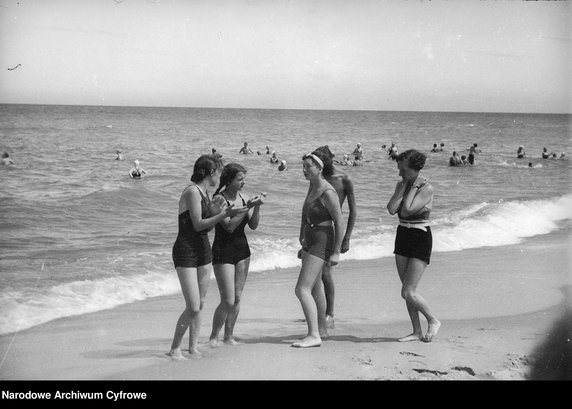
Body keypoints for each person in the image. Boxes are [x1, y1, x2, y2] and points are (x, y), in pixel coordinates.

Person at [168, 155, 247, 360]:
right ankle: (175, 348)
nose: (219, 176)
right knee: (193, 305)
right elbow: (197, 225)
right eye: (218, 172)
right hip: (185, 250)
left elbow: (208, 226)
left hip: (203, 249)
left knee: (201, 303)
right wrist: (223, 214)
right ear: (211, 173)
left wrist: (217, 211)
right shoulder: (192, 191)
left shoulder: (206, 193)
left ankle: (193, 347)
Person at [386, 149, 440, 343]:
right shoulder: (401, 184)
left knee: (408, 291)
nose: (400, 174)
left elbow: (407, 210)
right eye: (399, 169)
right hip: (403, 235)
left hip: (420, 236)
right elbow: (392, 209)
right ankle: (416, 331)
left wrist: (412, 187)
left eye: (403, 170)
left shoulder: (426, 188)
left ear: (416, 169)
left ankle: (433, 320)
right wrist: (402, 188)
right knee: (406, 291)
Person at [208, 163, 264, 347]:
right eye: (240, 179)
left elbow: (253, 226)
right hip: (222, 251)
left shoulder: (244, 197)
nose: (243, 182)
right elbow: (229, 226)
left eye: (244, 179)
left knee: (237, 297)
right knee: (227, 299)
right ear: (229, 180)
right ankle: (213, 337)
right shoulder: (219, 200)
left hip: (242, 251)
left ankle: (228, 336)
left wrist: (256, 207)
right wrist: (247, 207)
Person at [293, 150, 344, 348]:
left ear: (320, 168)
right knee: (314, 287)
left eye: (308, 167)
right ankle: (321, 329)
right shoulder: (312, 187)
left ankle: (313, 334)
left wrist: (337, 251)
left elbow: (339, 222)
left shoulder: (328, 191)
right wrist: (302, 235)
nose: (304, 170)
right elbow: (305, 212)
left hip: (322, 240)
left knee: (301, 289)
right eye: (303, 167)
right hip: (310, 237)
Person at [312, 145, 356, 328]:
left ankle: (329, 312)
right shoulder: (317, 177)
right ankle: (320, 310)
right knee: (315, 273)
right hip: (316, 229)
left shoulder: (344, 179)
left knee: (326, 272)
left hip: (332, 229)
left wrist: (346, 238)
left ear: (331, 159)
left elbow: (353, 211)